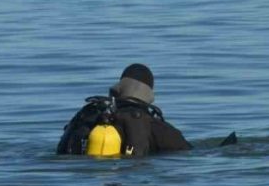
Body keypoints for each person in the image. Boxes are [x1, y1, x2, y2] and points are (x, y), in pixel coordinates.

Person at [57, 63, 192, 156]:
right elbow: (187, 152)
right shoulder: (156, 127)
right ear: (148, 94)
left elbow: (61, 150)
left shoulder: (89, 115)